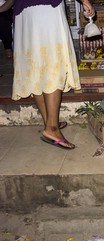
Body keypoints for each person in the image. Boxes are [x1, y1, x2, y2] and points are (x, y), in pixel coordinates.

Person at [11, 0, 95, 149]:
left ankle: (49, 122)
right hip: (46, 10)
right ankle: (52, 128)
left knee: (36, 67)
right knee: (52, 65)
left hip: (24, 12)